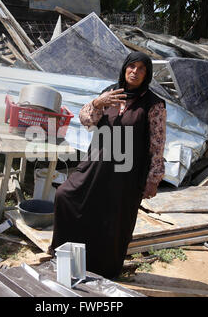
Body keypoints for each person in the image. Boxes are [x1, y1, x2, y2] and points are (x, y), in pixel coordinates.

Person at [49, 52, 167, 279]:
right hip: (96, 166)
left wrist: (153, 179)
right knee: (65, 196)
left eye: (141, 68)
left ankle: (104, 272)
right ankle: (66, 259)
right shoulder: (110, 93)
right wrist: (96, 103)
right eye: (131, 66)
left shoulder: (153, 104)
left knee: (113, 222)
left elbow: (158, 144)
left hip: (126, 174)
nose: (135, 71)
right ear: (124, 68)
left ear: (147, 74)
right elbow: (86, 121)